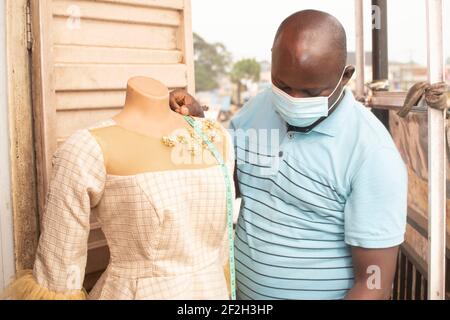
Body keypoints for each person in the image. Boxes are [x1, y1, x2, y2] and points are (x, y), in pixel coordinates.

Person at [170, 10, 407, 300]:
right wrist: (199, 126)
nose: (293, 100)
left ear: (344, 77)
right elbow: (228, 181)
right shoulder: (258, 108)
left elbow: (374, 283)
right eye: (283, 86)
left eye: (310, 92)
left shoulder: (371, 153)